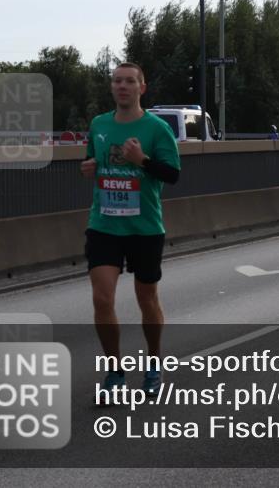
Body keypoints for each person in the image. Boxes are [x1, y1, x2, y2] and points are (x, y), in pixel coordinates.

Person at [82, 63, 181, 400]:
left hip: (144, 227)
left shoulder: (157, 129)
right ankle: (115, 372)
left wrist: (141, 160)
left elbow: (172, 174)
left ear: (142, 87)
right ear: (111, 87)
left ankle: (153, 363)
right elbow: (91, 160)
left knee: (146, 298)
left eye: (129, 81)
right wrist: (87, 168)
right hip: (104, 225)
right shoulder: (99, 124)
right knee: (102, 298)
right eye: (117, 81)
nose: (122, 86)